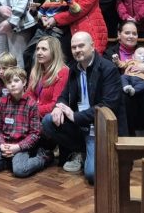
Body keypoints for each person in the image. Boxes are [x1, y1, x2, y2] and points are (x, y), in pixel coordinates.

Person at [42, 32, 127, 184]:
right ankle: (83, 151)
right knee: (48, 120)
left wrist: (75, 116)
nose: (77, 50)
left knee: (92, 175)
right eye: (74, 47)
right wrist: (58, 107)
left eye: (81, 46)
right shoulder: (74, 68)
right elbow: (64, 95)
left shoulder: (108, 69)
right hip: (81, 127)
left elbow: (108, 106)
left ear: (92, 46)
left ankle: (91, 153)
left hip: (100, 128)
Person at [0, 67, 51, 178]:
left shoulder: (32, 104)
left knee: (20, 170)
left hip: (21, 145)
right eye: (9, 82)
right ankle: (11, 162)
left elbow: (35, 133)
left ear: (24, 82)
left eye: (16, 81)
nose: (12, 85)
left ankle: (43, 158)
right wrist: (2, 145)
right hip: (5, 142)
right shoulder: (2, 101)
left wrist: (18, 147)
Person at [27, 36, 70, 121]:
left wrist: (32, 110)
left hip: (51, 115)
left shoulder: (63, 72)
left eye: (44, 49)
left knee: (47, 119)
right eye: (37, 49)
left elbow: (56, 104)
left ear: (54, 52)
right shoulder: (35, 71)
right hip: (34, 112)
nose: (39, 52)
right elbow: (29, 94)